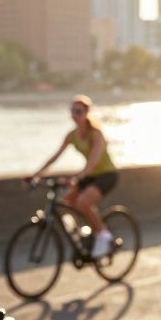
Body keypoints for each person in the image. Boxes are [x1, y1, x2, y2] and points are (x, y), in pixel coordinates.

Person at [29, 95, 119, 257]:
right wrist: (36, 174)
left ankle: (103, 235)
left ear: (86, 113)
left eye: (78, 111)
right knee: (67, 203)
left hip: (106, 175)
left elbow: (93, 160)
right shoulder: (72, 135)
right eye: (72, 111)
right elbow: (55, 157)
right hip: (89, 175)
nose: (74, 115)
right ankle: (84, 232)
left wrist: (78, 176)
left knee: (83, 202)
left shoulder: (96, 133)